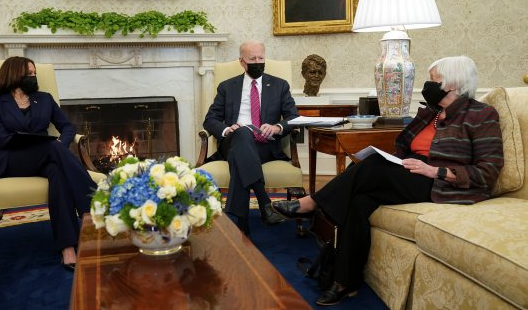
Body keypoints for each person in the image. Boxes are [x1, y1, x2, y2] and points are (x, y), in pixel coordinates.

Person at [273, 56, 504, 306]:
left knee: (372, 167)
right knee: (359, 200)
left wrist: (434, 171)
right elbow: (403, 147)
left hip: (440, 183)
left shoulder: (482, 114)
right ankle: (345, 282)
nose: (428, 86)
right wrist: (393, 161)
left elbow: (488, 170)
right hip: (410, 172)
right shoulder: (431, 114)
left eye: (433, 81)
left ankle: (312, 204)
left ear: (453, 84)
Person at [0, 57, 97, 271]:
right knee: (52, 148)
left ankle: (67, 248)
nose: (34, 77)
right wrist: (49, 145)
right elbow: (1, 139)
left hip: (47, 157)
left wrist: (61, 144)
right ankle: (93, 206)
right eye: (30, 73)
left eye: (35, 73)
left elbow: (67, 126)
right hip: (11, 159)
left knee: (56, 171)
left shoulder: (44, 99)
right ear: (14, 74)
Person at [203, 40, 299, 235]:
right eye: (252, 59)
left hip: (265, 145)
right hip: (233, 141)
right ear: (241, 61)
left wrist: (277, 127)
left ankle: (242, 224)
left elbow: (294, 118)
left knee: (242, 156)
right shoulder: (227, 87)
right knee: (243, 133)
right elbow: (210, 120)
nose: (257, 62)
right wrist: (227, 129)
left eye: (261, 58)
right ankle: (265, 204)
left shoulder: (279, 85)